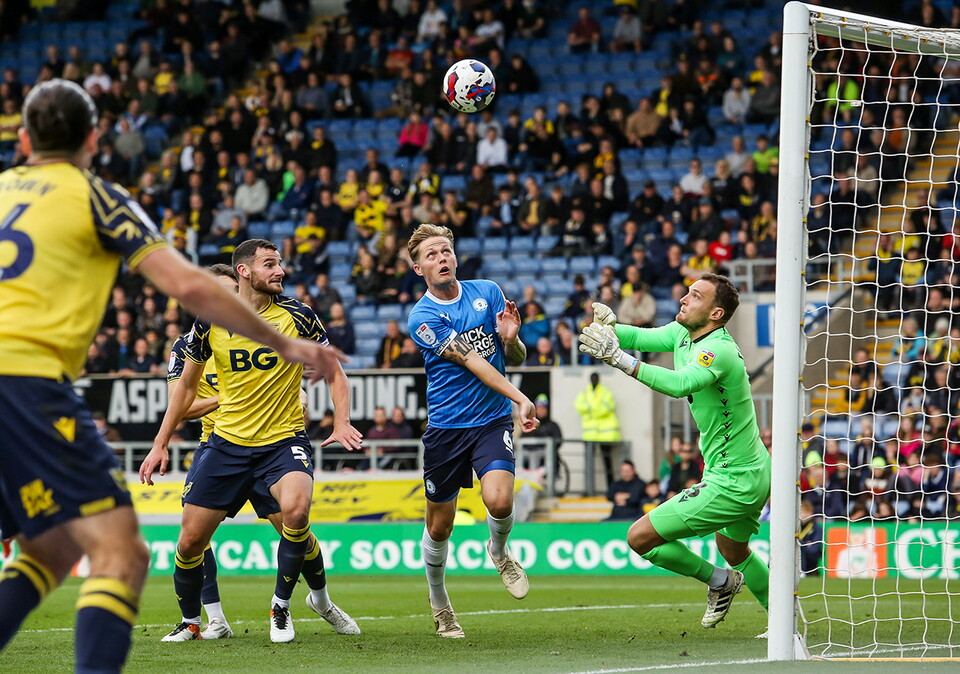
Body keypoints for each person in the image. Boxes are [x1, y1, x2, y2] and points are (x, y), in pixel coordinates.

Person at [0, 80, 342, 672]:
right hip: (27, 386)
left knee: (49, 545)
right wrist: (285, 343)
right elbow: (187, 284)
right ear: (94, 139)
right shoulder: (98, 197)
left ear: (24, 139)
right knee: (121, 555)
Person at [140, 238, 363, 644]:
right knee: (190, 542)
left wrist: (341, 421)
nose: (280, 271)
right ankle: (195, 621)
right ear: (245, 271)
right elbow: (184, 389)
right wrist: (160, 443)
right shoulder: (207, 325)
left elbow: (333, 370)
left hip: (282, 442)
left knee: (297, 513)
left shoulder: (299, 315)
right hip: (226, 444)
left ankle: (284, 606)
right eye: (270, 264)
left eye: (279, 264)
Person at [578, 273, 771, 631]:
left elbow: (681, 384)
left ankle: (720, 581)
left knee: (640, 537)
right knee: (733, 550)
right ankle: (783, 621)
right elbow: (640, 337)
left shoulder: (718, 350)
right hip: (750, 467)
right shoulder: (682, 333)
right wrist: (609, 326)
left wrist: (621, 360)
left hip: (735, 479)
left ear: (715, 314)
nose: (683, 298)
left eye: (695, 296)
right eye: (687, 292)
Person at [405, 224, 539, 638]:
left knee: (499, 500)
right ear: (418, 269)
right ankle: (440, 604)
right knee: (440, 527)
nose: (441, 258)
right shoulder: (422, 318)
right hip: (447, 429)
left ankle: (499, 552)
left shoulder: (488, 292)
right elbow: (472, 361)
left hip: (491, 421)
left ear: (455, 256)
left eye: (445, 250)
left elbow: (512, 356)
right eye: (431, 255)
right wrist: (521, 397)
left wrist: (511, 340)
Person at [574, 372, 622, 493]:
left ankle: (611, 490)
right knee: (588, 464)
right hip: (590, 434)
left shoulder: (605, 392)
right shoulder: (585, 393)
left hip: (606, 435)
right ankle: (587, 489)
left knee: (608, 464)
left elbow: (609, 407)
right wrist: (597, 408)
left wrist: (591, 410)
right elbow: (579, 407)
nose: (594, 380)